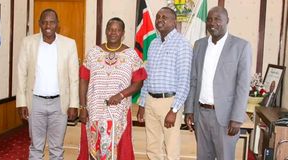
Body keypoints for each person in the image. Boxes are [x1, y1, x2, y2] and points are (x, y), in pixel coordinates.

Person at [184, 6, 252, 160]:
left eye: (217, 19)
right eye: (209, 19)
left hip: (226, 117)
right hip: (201, 114)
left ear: (227, 21)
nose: (212, 23)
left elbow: (243, 86)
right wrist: (189, 110)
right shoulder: (199, 44)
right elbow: (193, 79)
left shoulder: (241, 46)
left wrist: (237, 117)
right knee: (203, 157)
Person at [77, 17, 147, 160]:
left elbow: (139, 82)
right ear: (106, 31)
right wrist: (83, 106)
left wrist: (120, 95)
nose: (113, 32)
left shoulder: (131, 55)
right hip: (94, 109)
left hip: (118, 111)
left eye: (117, 30)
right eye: (110, 29)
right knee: (93, 147)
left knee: (117, 149)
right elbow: (83, 79)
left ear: (123, 33)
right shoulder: (93, 53)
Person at [16, 9, 79, 159]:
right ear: (39, 24)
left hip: (60, 103)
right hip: (35, 103)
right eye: (44, 22)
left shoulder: (69, 44)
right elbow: (21, 74)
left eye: (52, 22)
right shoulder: (28, 42)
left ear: (57, 24)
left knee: (56, 148)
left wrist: (74, 104)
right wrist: (21, 102)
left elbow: (73, 77)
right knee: (36, 147)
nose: (48, 25)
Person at [137, 7, 193, 160]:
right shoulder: (154, 44)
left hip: (169, 103)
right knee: (152, 148)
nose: (160, 20)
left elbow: (184, 81)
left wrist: (174, 110)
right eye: (158, 17)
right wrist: (142, 104)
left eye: (165, 17)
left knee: (171, 149)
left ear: (174, 22)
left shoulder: (182, 44)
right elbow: (147, 76)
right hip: (150, 101)